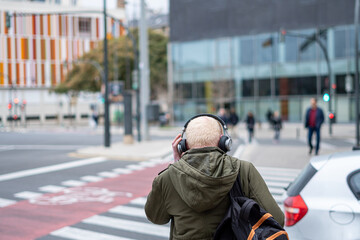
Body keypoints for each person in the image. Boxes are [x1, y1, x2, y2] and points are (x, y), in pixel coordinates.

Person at [145, 114, 284, 240]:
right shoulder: (243, 170)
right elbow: (277, 219)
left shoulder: (167, 178)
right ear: (224, 142)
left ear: (184, 145)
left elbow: (156, 217)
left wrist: (176, 166)